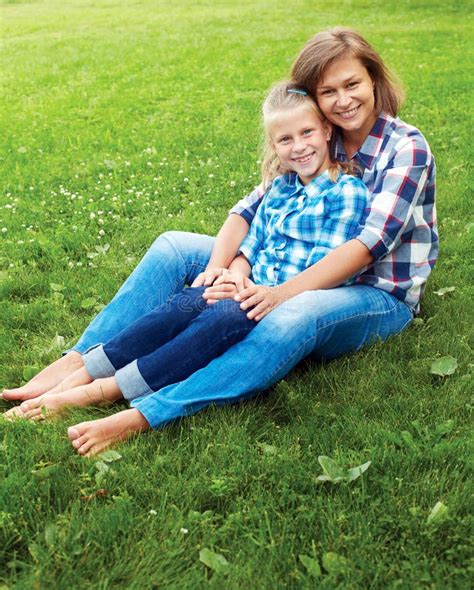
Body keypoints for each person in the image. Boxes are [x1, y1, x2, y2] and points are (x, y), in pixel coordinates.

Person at [2, 27, 437, 457]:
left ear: (374, 80)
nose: (344, 101)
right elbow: (248, 212)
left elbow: (366, 247)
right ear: (314, 102)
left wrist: (273, 294)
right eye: (329, 91)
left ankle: (145, 411)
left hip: (372, 291)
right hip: (278, 266)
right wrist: (224, 270)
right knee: (175, 247)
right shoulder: (317, 133)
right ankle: (78, 363)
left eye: (353, 85)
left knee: (291, 315)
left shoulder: (405, 148)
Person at [5, 82, 369, 431]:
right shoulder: (279, 188)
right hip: (246, 290)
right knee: (181, 306)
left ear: (325, 130)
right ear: (274, 146)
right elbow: (252, 245)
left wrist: (247, 291)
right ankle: (83, 370)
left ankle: (103, 390)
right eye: (285, 139)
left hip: (277, 302)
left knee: (218, 320)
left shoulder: (345, 192)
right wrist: (235, 275)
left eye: (306, 133)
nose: (298, 147)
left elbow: (322, 268)